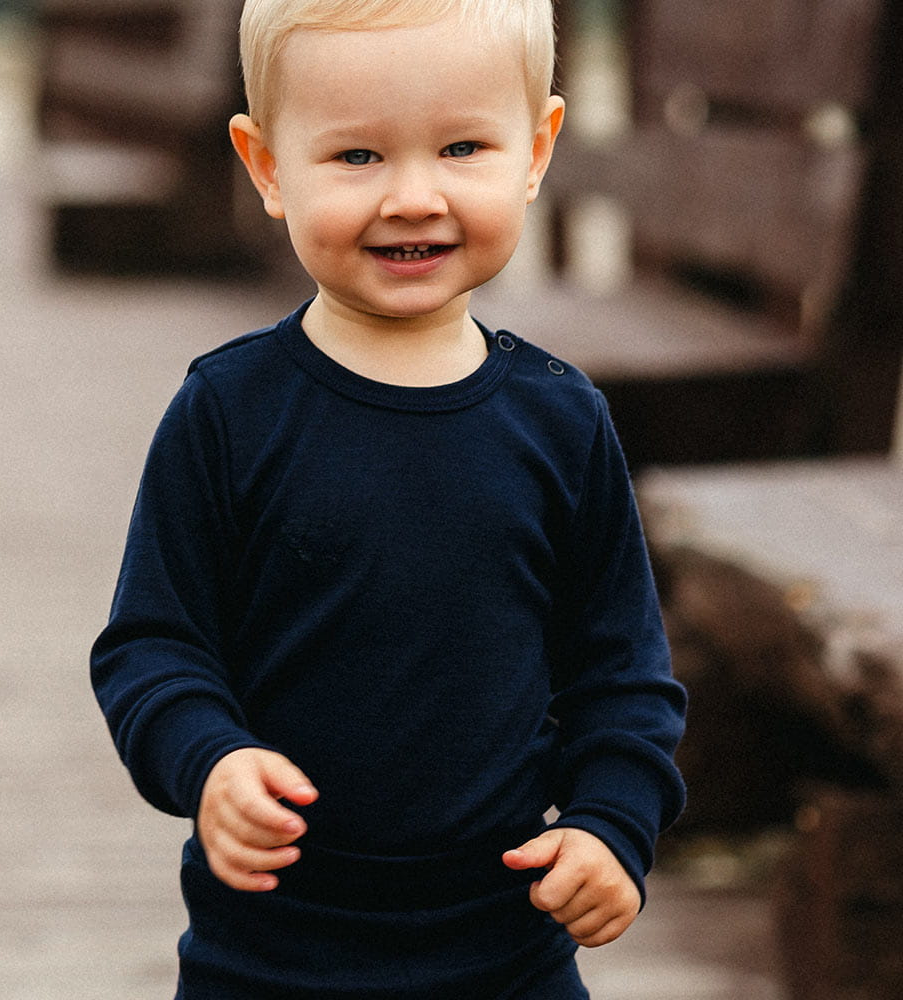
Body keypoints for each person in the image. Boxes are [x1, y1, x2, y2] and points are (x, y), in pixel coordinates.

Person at [90, 0, 686, 996]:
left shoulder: (560, 421)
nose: (413, 198)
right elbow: (152, 645)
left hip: (505, 950)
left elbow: (622, 672)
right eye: (357, 156)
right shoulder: (228, 413)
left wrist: (611, 823)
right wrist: (209, 760)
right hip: (270, 954)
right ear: (267, 166)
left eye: (462, 148)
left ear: (537, 150)